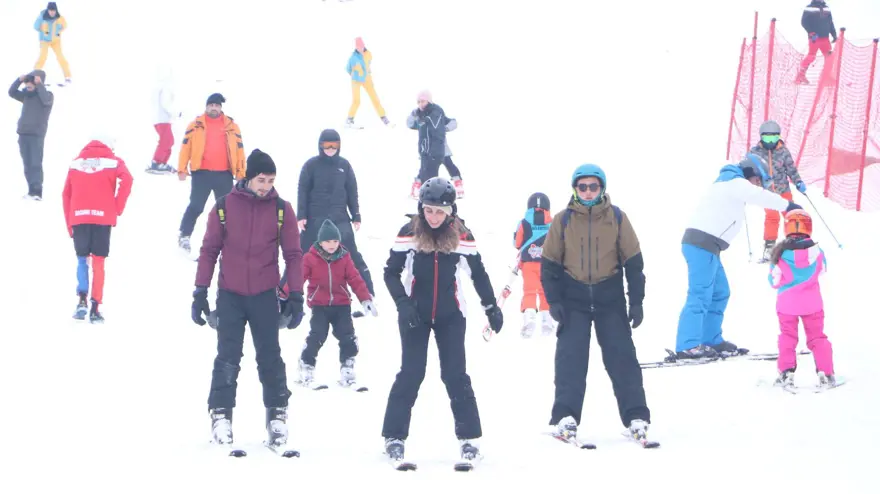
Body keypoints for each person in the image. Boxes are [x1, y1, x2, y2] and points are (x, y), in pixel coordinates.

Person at [381, 176, 502, 464]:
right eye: (428, 210)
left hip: (451, 315)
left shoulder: (462, 235)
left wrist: (491, 307)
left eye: (440, 211)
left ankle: (469, 439)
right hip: (415, 315)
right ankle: (394, 437)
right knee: (411, 373)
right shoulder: (409, 232)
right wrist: (402, 304)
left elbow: (479, 274)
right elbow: (390, 272)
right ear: (421, 208)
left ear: (451, 211)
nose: (433, 217)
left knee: (455, 375)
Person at [192, 149, 305, 451]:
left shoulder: (282, 210)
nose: (266, 186)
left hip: (265, 296)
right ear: (248, 177)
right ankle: (221, 415)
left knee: (270, 358)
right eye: (261, 179)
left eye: (270, 180)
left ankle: (277, 415)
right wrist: (200, 291)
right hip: (230, 295)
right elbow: (208, 251)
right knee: (228, 358)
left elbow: (294, 255)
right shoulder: (224, 206)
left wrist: (296, 295)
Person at [540, 164, 651, 444]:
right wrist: (553, 300)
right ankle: (565, 416)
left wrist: (635, 301)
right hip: (573, 299)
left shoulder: (616, 217)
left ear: (602, 188)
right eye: (582, 187)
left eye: (593, 186)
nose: (588, 192)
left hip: (609, 297)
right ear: (575, 190)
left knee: (622, 357)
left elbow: (634, 263)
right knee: (570, 360)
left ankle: (636, 415)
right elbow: (549, 264)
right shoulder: (563, 220)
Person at [675, 161, 804, 358]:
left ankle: (711, 339)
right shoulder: (734, 182)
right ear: (750, 175)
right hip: (701, 244)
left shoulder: (731, 184)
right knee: (699, 294)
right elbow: (758, 196)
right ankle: (688, 345)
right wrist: (787, 205)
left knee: (720, 292)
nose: (758, 185)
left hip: (708, 246)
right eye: (758, 180)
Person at [291, 219, 377, 388]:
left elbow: (355, 279)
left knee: (347, 336)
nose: (332, 245)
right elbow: (299, 278)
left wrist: (365, 298)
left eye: (335, 241)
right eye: (328, 241)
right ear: (320, 242)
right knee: (317, 335)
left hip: (341, 305)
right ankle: (306, 366)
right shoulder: (310, 258)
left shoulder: (344, 257)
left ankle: (347, 367)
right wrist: (288, 295)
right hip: (319, 305)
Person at [293, 129, 374, 299]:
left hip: (340, 219)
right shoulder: (311, 165)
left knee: (352, 255)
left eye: (334, 145)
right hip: (315, 219)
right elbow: (303, 190)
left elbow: (352, 191)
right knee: (299, 256)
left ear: (339, 146)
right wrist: (301, 215)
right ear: (320, 146)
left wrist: (356, 215)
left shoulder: (344, 166)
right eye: (326, 145)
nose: (330, 149)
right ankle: (286, 294)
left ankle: (368, 294)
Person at [62, 136, 133, 323]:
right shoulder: (113, 160)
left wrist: (69, 223)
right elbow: (128, 179)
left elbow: (66, 194)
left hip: (79, 215)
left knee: (81, 259)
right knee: (99, 262)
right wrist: (116, 207)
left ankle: (82, 299)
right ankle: (95, 307)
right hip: (103, 216)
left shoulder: (76, 163)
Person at [768, 209, 835, 388]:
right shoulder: (817, 252)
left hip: (787, 305)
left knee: (788, 337)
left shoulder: (780, 254)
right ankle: (826, 373)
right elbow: (822, 270)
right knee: (817, 337)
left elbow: (773, 281)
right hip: (812, 304)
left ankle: (786, 373)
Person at [177, 93, 245, 253]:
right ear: (206, 106)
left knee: (227, 208)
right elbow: (185, 147)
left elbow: (240, 150)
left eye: (217, 105)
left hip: (224, 174)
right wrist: (182, 168)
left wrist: (241, 171)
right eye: (211, 105)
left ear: (221, 107)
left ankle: (230, 239)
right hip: (202, 173)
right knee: (196, 205)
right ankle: (184, 235)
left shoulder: (232, 126)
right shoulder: (195, 125)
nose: (214, 108)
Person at [748, 121, 807, 262]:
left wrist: (798, 181)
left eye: (774, 138)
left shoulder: (783, 151)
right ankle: (770, 247)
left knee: (792, 215)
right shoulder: (755, 152)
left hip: (783, 190)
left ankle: (796, 241)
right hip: (766, 193)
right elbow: (748, 169)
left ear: (779, 137)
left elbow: (791, 169)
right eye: (767, 139)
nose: (771, 142)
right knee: (772, 217)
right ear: (761, 137)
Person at [513, 192, 554, 337]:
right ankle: (546, 319)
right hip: (547, 264)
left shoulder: (524, 222)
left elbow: (517, 243)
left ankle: (529, 316)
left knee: (529, 290)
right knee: (545, 291)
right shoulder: (553, 222)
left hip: (528, 263)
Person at [9, 70, 54, 200]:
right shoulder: (26, 96)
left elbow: (45, 100)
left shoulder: (47, 96)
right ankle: (30, 190)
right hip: (23, 134)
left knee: (35, 163)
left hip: (36, 135)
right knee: (27, 163)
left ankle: (37, 191)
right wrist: (19, 80)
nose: (28, 85)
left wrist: (39, 84)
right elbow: (11, 93)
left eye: (31, 82)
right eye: (27, 82)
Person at [406, 90, 456, 199]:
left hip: (436, 150)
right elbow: (410, 124)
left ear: (428, 100)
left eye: (423, 101)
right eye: (418, 102)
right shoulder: (420, 113)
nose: (420, 104)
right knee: (424, 172)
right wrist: (413, 115)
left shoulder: (436, 111)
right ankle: (423, 194)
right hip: (424, 150)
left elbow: (437, 128)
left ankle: (431, 197)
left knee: (433, 174)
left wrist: (444, 128)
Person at [345, 37, 392, 129]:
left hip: (366, 78)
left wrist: (367, 71)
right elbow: (348, 68)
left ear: (364, 46)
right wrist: (354, 74)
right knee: (356, 100)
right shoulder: (353, 58)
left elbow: (368, 63)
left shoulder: (368, 54)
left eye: (361, 46)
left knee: (375, 98)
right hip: (356, 80)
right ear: (356, 48)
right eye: (358, 47)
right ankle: (349, 118)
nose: (360, 48)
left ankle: (383, 117)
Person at [147, 66, 180, 174]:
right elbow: (166, 103)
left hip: (158, 119)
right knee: (167, 141)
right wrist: (175, 113)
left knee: (168, 140)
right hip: (163, 119)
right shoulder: (165, 87)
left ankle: (161, 162)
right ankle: (157, 162)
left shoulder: (157, 87)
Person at [796, 1, 837, 85]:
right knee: (811, 56)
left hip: (825, 38)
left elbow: (830, 22)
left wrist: (834, 34)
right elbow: (804, 22)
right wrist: (811, 32)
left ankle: (826, 77)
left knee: (829, 57)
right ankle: (800, 76)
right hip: (815, 37)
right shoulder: (810, 7)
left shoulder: (826, 8)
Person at [33, 2, 71, 86]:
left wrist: (58, 32)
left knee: (61, 57)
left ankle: (68, 77)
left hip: (56, 41)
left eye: (53, 11)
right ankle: (35, 77)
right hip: (44, 41)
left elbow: (65, 26)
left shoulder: (60, 18)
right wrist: (40, 19)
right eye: (50, 10)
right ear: (48, 10)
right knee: (42, 57)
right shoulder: (42, 17)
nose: (52, 12)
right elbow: (35, 27)